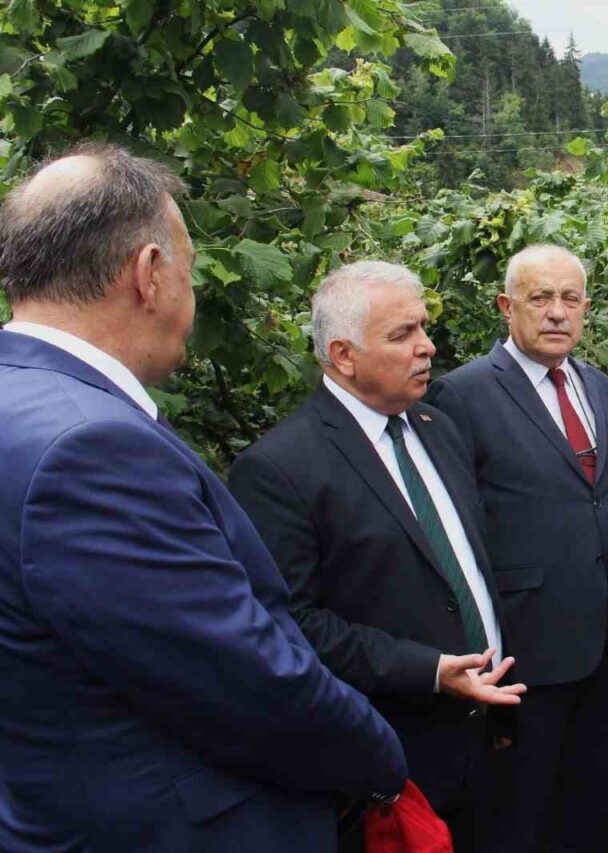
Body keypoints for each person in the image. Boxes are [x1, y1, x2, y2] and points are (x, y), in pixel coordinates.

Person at [0, 146, 406, 851]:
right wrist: (380, 756)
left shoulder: (23, 403)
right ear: (149, 274)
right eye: (188, 272)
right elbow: (244, 680)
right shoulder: (92, 449)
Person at [228, 262, 525, 852]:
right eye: (403, 334)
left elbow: (466, 565)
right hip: (390, 751)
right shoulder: (280, 469)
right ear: (343, 355)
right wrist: (429, 669)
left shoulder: (437, 427)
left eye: (423, 326)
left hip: (486, 731)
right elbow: (292, 625)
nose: (427, 346)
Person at [425, 244, 608, 853]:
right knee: (519, 806)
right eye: (540, 298)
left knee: (594, 791)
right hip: (528, 641)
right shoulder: (463, 394)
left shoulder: (601, 388)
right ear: (506, 306)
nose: (557, 313)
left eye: (570, 299)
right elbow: (456, 527)